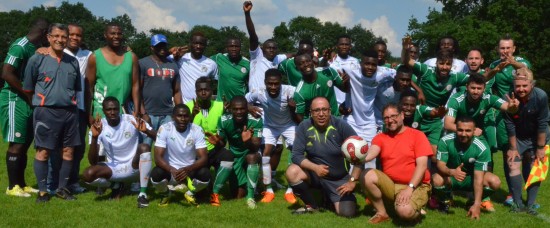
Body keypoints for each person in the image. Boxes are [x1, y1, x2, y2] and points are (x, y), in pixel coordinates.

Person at [22, 23, 82, 202]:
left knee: (68, 152)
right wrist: (41, 104)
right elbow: (28, 88)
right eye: (56, 36)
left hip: (70, 112)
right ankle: (43, 191)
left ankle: (62, 189)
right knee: (43, 152)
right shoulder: (37, 59)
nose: (60, 40)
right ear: (48, 37)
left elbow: (76, 88)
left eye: (64, 37)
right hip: (46, 112)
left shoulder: (73, 62)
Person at [285, 97, 361, 217]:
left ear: (330, 111)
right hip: (315, 176)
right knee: (292, 171)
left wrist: (352, 181)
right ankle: (312, 205)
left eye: (324, 110)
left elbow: (359, 155)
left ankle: (329, 198)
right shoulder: (304, 126)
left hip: (338, 180)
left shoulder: (341, 125)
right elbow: (296, 155)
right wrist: (315, 168)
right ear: (311, 113)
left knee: (347, 213)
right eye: (316, 110)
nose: (321, 114)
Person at [360, 103, 432, 224]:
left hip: (416, 185)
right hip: (392, 185)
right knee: (366, 174)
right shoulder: (380, 137)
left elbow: (422, 166)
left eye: (394, 116)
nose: (390, 120)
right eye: (386, 118)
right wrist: (356, 156)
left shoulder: (417, 135)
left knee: (404, 212)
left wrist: (409, 188)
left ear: (402, 115)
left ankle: (415, 210)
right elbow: (371, 154)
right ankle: (382, 213)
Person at [1, 18, 48, 197]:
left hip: (27, 101)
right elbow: (6, 73)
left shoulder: (35, 48)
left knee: (25, 143)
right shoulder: (19, 46)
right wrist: (27, 94)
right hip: (14, 99)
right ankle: (12, 187)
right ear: (44, 33)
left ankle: (22, 184)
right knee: (17, 143)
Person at [82, 97, 154, 208]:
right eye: (109, 109)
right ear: (103, 110)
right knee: (87, 174)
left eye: (115, 109)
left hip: (135, 167)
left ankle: (142, 193)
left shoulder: (131, 119)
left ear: (119, 109)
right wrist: (95, 137)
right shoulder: (98, 126)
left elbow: (159, 138)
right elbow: (93, 161)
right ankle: (116, 185)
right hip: (113, 170)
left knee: (144, 147)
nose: (112, 112)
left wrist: (146, 131)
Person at [402, 36, 469, 154]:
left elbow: (479, 79)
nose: (444, 67)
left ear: (452, 65)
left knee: (433, 155)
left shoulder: (455, 77)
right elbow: (407, 62)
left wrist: (494, 71)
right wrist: (405, 48)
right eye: (441, 63)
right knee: (410, 151)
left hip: (435, 120)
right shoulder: (426, 70)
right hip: (418, 116)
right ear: (436, 62)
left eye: (448, 64)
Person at [488, 36, 532, 205]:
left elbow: (526, 72)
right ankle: (513, 193)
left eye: (508, 48)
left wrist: (513, 63)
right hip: (504, 114)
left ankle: (530, 192)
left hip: (524, 113)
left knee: (528, 153)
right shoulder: (494, 64)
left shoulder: (522, 61)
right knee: (509, 152)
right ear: (498, 50)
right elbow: (487, 81)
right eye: (502, 48)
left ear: (514, 49)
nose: (505, 51)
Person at [246, 69, 299, 204]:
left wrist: (294, 106)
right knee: (266, 153)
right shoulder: (259, 92)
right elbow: (242, 100)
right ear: (265, 83)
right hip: (269, 126)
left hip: (289, 125)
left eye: (276, 84)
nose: (273, 87)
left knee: (295, 151)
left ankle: (291, 190)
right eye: (270, 84)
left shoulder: (290, 91)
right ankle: (268, 190)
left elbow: (304, 100)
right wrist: (249, 108)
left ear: (281, 83)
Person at [433, 116, 502, 218]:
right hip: (452, 177)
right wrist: (452, 172)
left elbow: (479, 177)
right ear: (456, 129)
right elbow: (440, 165)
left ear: (474, 131)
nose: (463, 134)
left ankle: (473, 201)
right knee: (436, 179)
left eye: (468, 131)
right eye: (460, 130)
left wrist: (477, 205)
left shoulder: (482, 147)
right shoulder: (445, 141)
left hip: (472, 178)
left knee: (495, 182)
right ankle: (446, 199)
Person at [339, 50, 395, 169]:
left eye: (373, 64)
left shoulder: (383, 73)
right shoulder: (349, 70)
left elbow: (400, 74)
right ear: (360, 63)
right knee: (349, 152)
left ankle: (367, 183)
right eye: (367, 63)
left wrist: (419, 91)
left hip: (370, 122)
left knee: (370, 158)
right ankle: (350, 181)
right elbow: (328, 69)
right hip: (351, 119)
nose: (370, 67)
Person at [504, 68, 549, 215]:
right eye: (518, 86)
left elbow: (543, 122)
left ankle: (531, 204)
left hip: (538, 136)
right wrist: (512, 147)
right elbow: (509, 123)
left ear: (532, 84)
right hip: (518, 136)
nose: (521, 89)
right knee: (513, 164)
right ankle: (517, 204)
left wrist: (540, 147)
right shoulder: (508, 98)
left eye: (525, 85)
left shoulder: (541, 96)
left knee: (534, 167)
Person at [184, 77, 234, 206]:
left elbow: (227, 128)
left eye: (206, 89)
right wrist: (191, 117)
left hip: (215, 148)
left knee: (228, 156)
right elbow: (182, 134)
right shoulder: (187, 107)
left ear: (212, 91)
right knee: (201, 188)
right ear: (196, 92)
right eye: (200, 90)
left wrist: (219, 140)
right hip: (197, 153)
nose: (203, 92)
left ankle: (215, 192)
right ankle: (200, 184)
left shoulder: (220, 106)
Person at [150, 104, 211, 207]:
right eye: (179, 116)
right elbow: (157, 158)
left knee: (205, 174)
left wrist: (188, 169)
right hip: (171, 171)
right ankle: (166, 193)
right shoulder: (165, 129)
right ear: (173, 117)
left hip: (189, 172)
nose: (183, 119)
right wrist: (171, 169)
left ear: (189, 117)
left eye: (186, 116)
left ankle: (190, 193)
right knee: (156, 174)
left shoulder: (197, 130)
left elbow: (204, 158)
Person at [86, 22, 141, 121]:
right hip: (101, 111)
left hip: (124, 111)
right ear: (105, 35)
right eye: (112, 33)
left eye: (119, 34)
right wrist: (89, 113)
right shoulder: (95, 57)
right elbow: (89, 87)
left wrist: (137, 109)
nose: (116, 36)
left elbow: (135, 85)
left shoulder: (132, 57)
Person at [216, 95, 263, 209]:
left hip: (250, 152)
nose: (239, 112)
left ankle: (251, 197)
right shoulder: (223, 120)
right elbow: (222, 144)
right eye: (235, 109)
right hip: (235, 156)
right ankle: (252, 183)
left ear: (247, 109)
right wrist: (217, 142)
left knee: (252, 157)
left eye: (242, 109)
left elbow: (255, 147)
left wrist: (247, 142)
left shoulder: (256, 120)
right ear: (230, 109)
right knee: (237, 196)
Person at [444, 73, 519, 143]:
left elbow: (509, 109)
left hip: (477, 136)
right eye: (473, 88)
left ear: (484, 88)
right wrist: (471, 131)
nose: (476, 91)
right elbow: (448, 124)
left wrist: (512, 107)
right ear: (467, 87)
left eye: (479, 88)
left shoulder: (488, 98)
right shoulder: (456, 100)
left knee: (487, 150)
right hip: (458, 135)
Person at [139, 34, 181, 145]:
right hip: (149, 113)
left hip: (167, 114)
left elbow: (176, 91)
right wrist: (143, 113)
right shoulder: (143, 63)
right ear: (152, 47)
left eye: (164, 45)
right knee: (145, 148)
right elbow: (137, 90)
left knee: (167, 147)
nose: (162, 48)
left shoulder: (173, 65)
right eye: (158, 46)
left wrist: (178, 110)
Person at [243, 1, 289, 94]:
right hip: (255, 100)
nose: (271, 50)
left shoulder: (276, 58)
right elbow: (253, 36)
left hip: (270, 100)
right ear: (262, 49)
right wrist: (247, 14)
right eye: (269, 48)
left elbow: (289, 55)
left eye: (274, 48)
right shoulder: (257, 56)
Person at [293, 54, 348, 121]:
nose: (306, 64)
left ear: (312, 62)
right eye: (301, 63)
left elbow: (346, 89)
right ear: (297, 68)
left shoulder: (329, 72)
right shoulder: (300, 92)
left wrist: (346, 82)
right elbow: (300, 116)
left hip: (335, 119)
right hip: (316, 125)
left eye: (308, 61)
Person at [170, 32, 218, 103]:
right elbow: (161, 58)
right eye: (195, 43)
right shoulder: (181, 58)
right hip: (184, 107)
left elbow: (216, 82)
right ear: (190, 44)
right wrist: (170, 52)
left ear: (205, 46)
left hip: (203, 106)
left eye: (201, 44)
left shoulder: (211, 64)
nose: (198, 46)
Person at [211, 37, 250, 102]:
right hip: (222, 103)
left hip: (240, 104)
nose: (234, 49)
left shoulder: (247, 64)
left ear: (240, 48)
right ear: (227, 48)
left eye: (236, 46)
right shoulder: (219, 58)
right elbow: (205, 62)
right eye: (231, 46)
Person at [327, 34, 356, 105]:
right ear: (337, 46)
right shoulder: (331, 62)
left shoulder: (355, 62)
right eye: (341, 44)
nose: (344, 47)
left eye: (346, 44)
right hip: (335, 104)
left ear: (350, 46)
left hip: (351, 103)